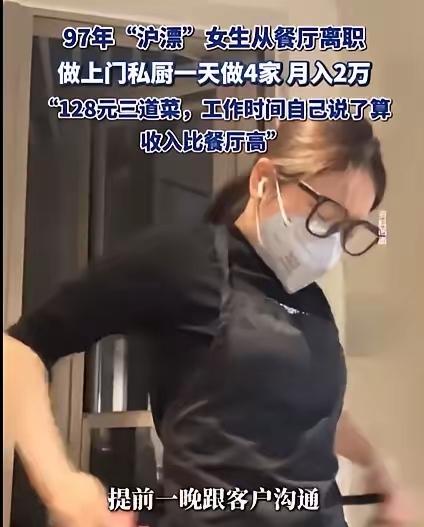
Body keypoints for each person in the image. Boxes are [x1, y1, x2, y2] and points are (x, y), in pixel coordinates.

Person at [4, 119, 410, 527]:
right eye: (326, 213)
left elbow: (310, 412)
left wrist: (375, 464)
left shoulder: (312, 301)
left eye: (347, 229)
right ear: (264, 180)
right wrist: (60, 486)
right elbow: (20, 349)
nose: (332, 241)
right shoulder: (183, 261)